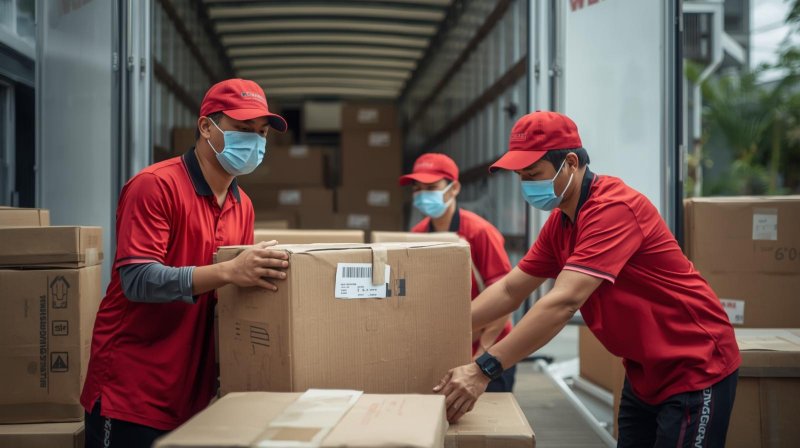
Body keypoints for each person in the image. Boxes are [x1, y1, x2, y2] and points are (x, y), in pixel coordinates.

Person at [434, 111, 740, 448]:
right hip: (643, 371)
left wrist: (484, 369)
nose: (526, 185)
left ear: (569, 163)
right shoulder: (561, 222)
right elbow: (509, 289)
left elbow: (563, 303)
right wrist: (443, 329)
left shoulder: (614, 208)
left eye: (533, 174)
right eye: (521, 177)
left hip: (693, 366)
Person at [81, 79, 291, 447]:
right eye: (243, 130)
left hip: (194, 397)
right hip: (132, 391)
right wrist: (231, 271)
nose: (255, 143)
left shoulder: (243, 206)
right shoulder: (155, 186)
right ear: (206, 126)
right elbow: (138, 279)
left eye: (261, 134)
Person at [399, 153, 516, 392]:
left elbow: (506, 297)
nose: (422, 195)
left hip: (490, 348)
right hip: (448, 350)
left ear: (454, 189)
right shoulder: (417, 235)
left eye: (431, 187)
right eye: (417, 189)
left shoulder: (480, 233)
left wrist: (483, 357)